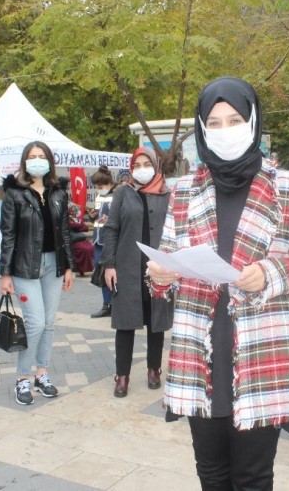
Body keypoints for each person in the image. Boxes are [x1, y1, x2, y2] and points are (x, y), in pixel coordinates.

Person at [147, 77, 289, 490]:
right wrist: (159, 275)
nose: (224, 130)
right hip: (201, 353)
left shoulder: (286, 186)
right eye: (214, 121)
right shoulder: (186, 190)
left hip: (262, 353)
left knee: (252, 478)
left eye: (234, 119)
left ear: (252, 122)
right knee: (211, 475)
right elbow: (167, 261)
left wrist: (271, 272)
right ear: (201, 127)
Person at [0, 141, 74, 406]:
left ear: (50, 161)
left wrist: (68, 267)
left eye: (42, 156)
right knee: (35, 323)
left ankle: (42, 374)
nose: (37, 160)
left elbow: (64, 233)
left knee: (50, 322)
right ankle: (22, 378)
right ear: (24, 161)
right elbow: (8, 235)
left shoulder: (58, 193)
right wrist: (4, 273)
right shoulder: (14, 194)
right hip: (24, 267)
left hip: (54, 265)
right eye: (32, 157)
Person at [98, 147, 172, 398]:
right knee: (125, 323)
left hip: (158, 268)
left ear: (155, 164)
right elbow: (111, 228)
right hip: (127, 267)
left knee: (156, 322)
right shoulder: (122, 193)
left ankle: (154, 369)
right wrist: (109, 264)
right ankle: (123, 375)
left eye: (146, 163)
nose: (142, 169)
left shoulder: (167, 194)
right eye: (137, 164)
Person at [89, 165, 117, 318]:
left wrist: (110, 219)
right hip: (98, 241)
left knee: (112, 274)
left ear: (110, 184)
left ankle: (116, 304)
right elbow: (97, 218)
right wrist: (93, 216)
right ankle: (106, 305)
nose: (99, 189)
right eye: (96, 187)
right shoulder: (99, 197)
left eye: (101, 186)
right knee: (100, 274)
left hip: (111, 242)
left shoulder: (117, 196)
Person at [67, 203, 94, 277]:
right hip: (73, 240)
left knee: (90, 247)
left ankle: (86, 268)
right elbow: (74, 225)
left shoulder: (77, 219)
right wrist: (80, 225)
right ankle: (80, 269)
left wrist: (79, 225)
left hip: (81, 239)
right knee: (84, 248)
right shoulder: (68, 219)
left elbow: (86, 228)